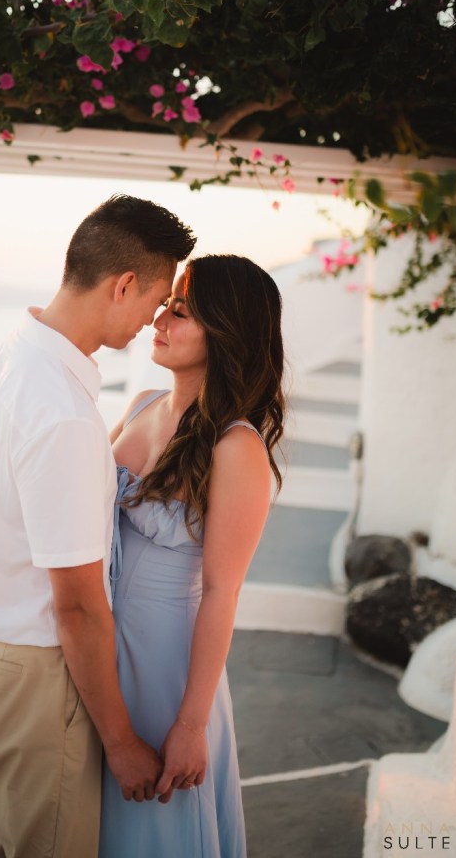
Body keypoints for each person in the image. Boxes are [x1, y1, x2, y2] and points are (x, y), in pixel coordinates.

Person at [0, 194, 196, 858]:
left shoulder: (13, 355)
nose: (153, 319)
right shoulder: (61, 411)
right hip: (34, 674)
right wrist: (120, 743)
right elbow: (79, 606)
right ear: (123, 285)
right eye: (154, 300)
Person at [99, 254, 285, 858]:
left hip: (166, 666)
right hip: (101, 652)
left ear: (226, 332)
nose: (160, 317)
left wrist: (189, 724)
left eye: (182, 310)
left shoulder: (236, 447)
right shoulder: (140, 405)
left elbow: (222, 592)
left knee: (154, 834)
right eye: (167, 303)